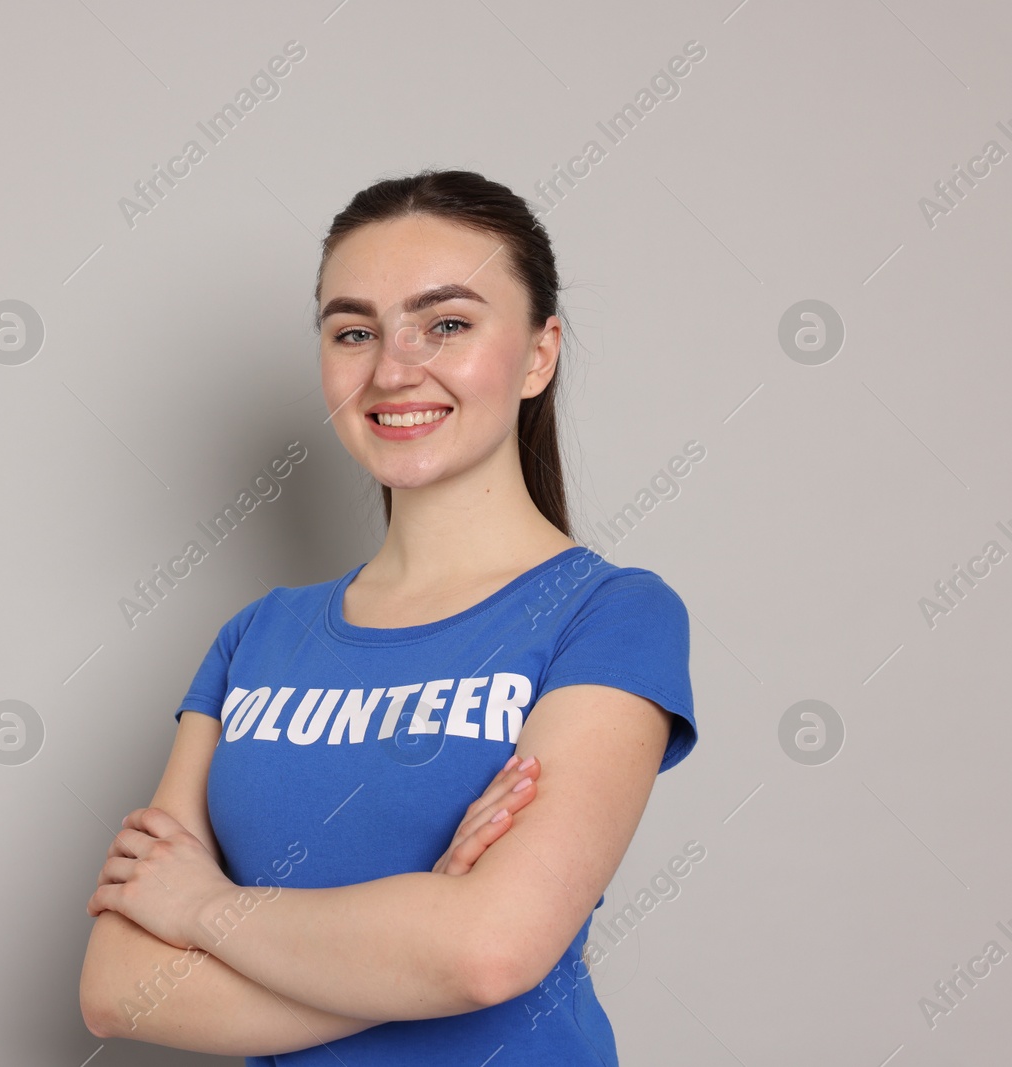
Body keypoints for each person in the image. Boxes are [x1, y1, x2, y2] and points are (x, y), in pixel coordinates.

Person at [77, 168, 698, 1065]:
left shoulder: (611, 615)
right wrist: (414, 952)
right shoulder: (256, 638)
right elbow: (115, 987)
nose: (393, 368)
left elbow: (488, 951)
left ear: (538, 352)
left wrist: (202, 908)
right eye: (354, 330)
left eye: (447, 323)